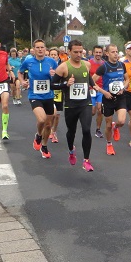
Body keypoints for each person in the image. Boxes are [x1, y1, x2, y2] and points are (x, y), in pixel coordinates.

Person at [54, 39, 103, 172]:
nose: (78, 54)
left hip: (85, 103)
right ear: (69, 52)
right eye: (75, 52)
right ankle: (71, 150)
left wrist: (94, 86)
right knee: (71, 132)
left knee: (87, 130)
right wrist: (65, 84)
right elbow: (53, 85)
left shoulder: (86, 65)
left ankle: (86, 160)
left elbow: (88, 78)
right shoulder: (63, 67)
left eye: (80, 51)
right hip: (71, 105)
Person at [19, 39, 59, 158]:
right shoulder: (28, 62)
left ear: (45, 49)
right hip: (35, 95)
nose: (40, 49)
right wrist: (22, 82)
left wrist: (55, 75)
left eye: (42, 47)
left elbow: (59, 75)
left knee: (48, 125)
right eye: (38, 47)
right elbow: (20, 73)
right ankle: (38, 135)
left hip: (49, 96)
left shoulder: (51, 62)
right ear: (34, 49)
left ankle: (44, 146)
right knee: (41, 120)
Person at [94, 43, 128, 156]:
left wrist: (123, 87)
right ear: (107, 53)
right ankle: (109, 144)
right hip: (108, 98)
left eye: (117, 51)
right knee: (107, 125)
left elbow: (127, 80)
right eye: (113, 52)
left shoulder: (122, 65)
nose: (115, 54)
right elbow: (92, 81)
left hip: (120, 97)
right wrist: (104, 92)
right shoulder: (104, 67)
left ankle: (116, 126)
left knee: (122, 121)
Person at [88, 45, 106, 138]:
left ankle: (98, 129)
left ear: (102, 53)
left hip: (101, 90)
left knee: (100, 110)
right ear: (93, 53)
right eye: (96, 52)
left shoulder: (104, 64)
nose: (98, 54)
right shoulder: (89, 63)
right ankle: (85, 122)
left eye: (100, 52)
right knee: (93, 111)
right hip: (91, 89)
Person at [48, 48, 63, 142]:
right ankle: (49, 130)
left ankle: (54, 131)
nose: (53, 56)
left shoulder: (62, 66)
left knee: (57, 115)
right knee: (52, 114)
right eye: (51, 54)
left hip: (59, 92)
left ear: (58, 56)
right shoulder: (46, 65)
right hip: (49, 92)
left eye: (55, 55)